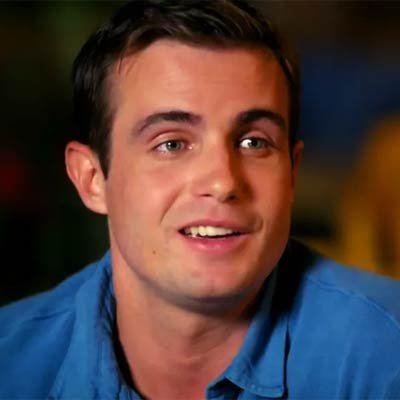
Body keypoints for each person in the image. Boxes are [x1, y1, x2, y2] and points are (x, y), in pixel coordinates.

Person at [1, 1, 400, 399]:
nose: (223, 182)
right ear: (91, 179)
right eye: (171, 144)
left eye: (254, 142)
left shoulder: (385, 354)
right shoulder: (11, 361)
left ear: (292, 173)